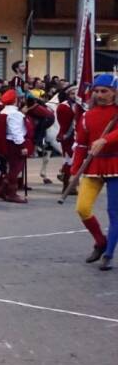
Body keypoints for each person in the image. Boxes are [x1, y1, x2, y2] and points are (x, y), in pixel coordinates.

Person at [72, 74, 118, 269]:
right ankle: (101, 242)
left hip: (116, 165)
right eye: (97, 91)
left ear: (114, 92)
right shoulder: (86, 116)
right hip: (93, 166)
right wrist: (74, 170)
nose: (100, 95)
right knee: (82, 208)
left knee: (114, 213)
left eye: (104, 91)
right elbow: (81, 145)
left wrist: (105, 140)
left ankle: (108, 254)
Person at [0, 89, 32, 204]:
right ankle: (11, 193)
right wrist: (22, 146)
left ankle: (1, 190)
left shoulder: (4, 111)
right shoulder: (15, 113)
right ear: (15, 100)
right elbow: (16, 131)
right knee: (15, 169)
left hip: (7, 142)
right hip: (15, 143)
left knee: (12, 168)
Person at [56, 85, 83, 187]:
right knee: (70, 160)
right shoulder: (63, 106)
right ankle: (67, 185)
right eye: (72, 94)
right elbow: (65, 124)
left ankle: (70, 182)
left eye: (76, 94)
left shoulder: (77, 105)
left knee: (73, 160)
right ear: (68, 94)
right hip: (68, 136)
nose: (75, 96)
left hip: (76, 136)